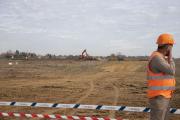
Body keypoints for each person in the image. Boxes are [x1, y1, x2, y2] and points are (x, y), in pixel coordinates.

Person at [147, 33, 176, 120]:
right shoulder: (157, 58)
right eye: (171, 46)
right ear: (168, 46)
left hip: (164, 96)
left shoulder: (161, 58)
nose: (172, 48)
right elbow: (172, 71)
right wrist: (170, 58)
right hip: (159, 97)